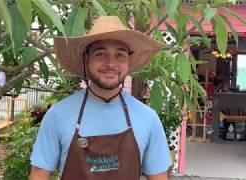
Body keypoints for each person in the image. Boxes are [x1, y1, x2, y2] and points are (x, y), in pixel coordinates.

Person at [30, 16, 171, 180]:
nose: (111, 63)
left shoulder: (148, 118)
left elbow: (159, 177)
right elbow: (39, 174)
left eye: (120, 55)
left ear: (128, 62)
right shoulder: (58, 114)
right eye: (100, 54)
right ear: (86, 59)